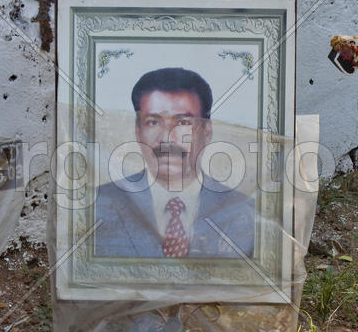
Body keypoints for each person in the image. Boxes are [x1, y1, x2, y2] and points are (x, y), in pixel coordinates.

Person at [94, 67, 255, 258]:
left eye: (183, 123)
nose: (166, 139)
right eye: (153, 122)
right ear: (138, 131)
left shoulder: (245, 210)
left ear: (206, 131)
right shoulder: (99, 203)